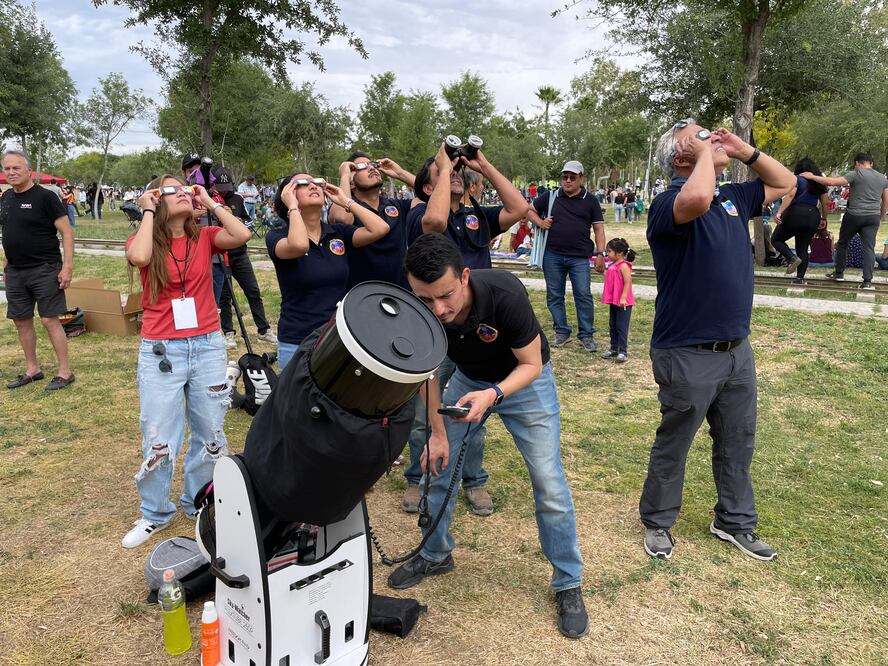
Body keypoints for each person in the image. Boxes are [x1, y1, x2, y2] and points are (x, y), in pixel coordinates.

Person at [388, 233, 588, 640]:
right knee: (438, 465)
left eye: (445, 296)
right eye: (425, 299)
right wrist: (438, 433)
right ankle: (435, 553)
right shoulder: (419, 308)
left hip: (522, 383)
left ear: (464, 276)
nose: (437, 310)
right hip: (468, 380)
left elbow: (531, 364)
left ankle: (568, 581)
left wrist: (495, 394)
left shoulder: (504, 293)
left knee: (548, 482)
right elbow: (426, 372)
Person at [640, 119, 795, 562]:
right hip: (686, 351)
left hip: (735, 351)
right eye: (701, 134)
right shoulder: (668, 201)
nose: (714, 136)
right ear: (681, 155)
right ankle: (657, 521)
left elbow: (784, 183)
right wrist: (709, 151)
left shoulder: (733, 196)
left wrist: (745, 151)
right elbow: (698, 196)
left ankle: (734, 521)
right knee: (677, 439)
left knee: (737, 439)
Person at [121, 175, 252, 548]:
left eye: (184, 188)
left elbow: (241, 234)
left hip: (208, 344)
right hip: (162, 349)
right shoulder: (145, 238)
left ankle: (198, 501)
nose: (181, 193)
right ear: (155, 201)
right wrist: (147, 211)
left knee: (210, 430)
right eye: (170, 190)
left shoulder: (205, 238)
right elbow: (140, 257)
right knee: (160, 433)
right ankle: (154, 513)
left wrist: (210, 203)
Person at [401, 143, 527, 516]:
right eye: (444, 172)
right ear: (428, 187)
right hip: (433, 321)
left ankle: (474, 480)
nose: (455, 173)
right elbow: (435, 224)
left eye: (458, 171)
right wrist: (439, 163)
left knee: (472, 409)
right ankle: (416, 476)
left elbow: (520, 209)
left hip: (474, 326)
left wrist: (482, 165)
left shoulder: (477, 215)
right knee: (428, 408)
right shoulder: (420, 214)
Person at [265, 172, 390, 370]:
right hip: (298, 340)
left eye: (317, 182)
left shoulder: (337, 233)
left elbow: (381, 228)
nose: (313, 186)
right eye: (303, 183)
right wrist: (292, 207)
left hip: (337, 338)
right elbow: (299, 245)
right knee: (300, 401)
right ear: (287, 194)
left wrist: (345, 201)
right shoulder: (277, 236)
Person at [2, 150, 76, 391]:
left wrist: (67, 267)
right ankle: (32, 369)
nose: (11, 172)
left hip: (45, 268)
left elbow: (67, 232)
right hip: (15, 271)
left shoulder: (46, 197)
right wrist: (5, 263)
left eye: (16, 168)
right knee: (21, 321)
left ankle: (65, 372)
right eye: (7, 168)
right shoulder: (5, 198)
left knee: (49, 320)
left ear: (29, 171)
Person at [527, 160, 607, 352]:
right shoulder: (551, 196)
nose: (568, 180)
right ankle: (561, 331)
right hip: (552, 255)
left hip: (579, 257)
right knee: (554, 295)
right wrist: (540, 222)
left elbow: (599, 229)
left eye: (572, 177)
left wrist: (600, 254)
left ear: (581, 178)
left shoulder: (591, 200)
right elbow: (529, 210)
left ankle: (586, 335)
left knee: (583, 295)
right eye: (565, 177)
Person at [328, 151, 415, 289]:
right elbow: (342, 218)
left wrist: (400, 173)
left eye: (372, 165)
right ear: (351, 183)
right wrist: (344, 175)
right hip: (364, 298)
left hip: (401, 293)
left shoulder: (395, 205)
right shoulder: (348, 208)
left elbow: (430, 193)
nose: (372, 168)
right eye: (362, 166)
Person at [211, 166, 277, 348]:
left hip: (240, 254)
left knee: (253, 292)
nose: (225, 191)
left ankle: (264, 330)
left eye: (228, 186)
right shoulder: (210, 201)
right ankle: (229, 333)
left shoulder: (237, 198)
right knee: (225, 297)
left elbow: (248, 219)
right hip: (221, 255)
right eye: (221, 187)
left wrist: (240, 222)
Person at [801, 153, 888, 290]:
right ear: (870, 163)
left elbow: (832, 182)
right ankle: (867, 281)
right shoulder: (882, 178)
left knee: (843, 243)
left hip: (854, 215)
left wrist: (812, 176)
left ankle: (839, 272)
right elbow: (885, 200)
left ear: (858, 163)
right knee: (869, 248)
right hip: (873, 217)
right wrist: (881, 216)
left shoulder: (856, 173)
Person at [772, 158, 830, 285]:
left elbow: (791, 195)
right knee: (802, 247)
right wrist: (824, 218)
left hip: (795, 213)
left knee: (776, 239)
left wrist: (780, 211)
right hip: (813, 215)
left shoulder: (796, 179)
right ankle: (800, 278)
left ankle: (791, 258)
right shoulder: (819, 182)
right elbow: (825, 203)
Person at [600, 238, 636, 362]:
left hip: (623, 302)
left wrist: (623, 297)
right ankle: (614, 348)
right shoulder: (613, 265)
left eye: (609, 251)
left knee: (621, 326)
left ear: (619, 253)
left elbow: (627, 282)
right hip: (614, 301)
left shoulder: (624, 266)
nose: (607, 254)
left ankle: (623, 351)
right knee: (613, 325)